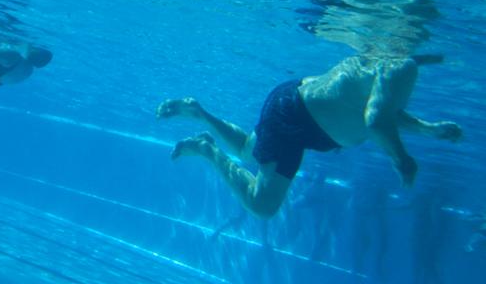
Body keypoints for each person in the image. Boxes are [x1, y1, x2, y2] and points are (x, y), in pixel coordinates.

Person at [156, 55, 462, 219]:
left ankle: (201, 114)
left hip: (294, 104)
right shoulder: (400, 64)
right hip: (296, 118)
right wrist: (403, 159)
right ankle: (208, 150)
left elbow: (376, 110)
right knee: (262, 206)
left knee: (250, 150)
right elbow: (376, 121)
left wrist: (426, 129)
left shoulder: (386, 60)